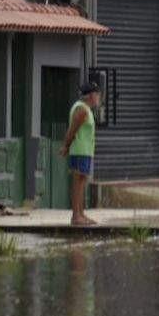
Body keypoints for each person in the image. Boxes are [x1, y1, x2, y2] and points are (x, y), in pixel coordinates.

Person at [60, 81, 101, 227]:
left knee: (82, 182)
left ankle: (81, 214)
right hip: (79, 151)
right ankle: (76, 216)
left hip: (85, 151)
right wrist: (66, 145)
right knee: (78, 183)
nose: (98, 98)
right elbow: (73, 129)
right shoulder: (81, 110)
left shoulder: (86, 109)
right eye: (97, 95)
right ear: (90, 96)